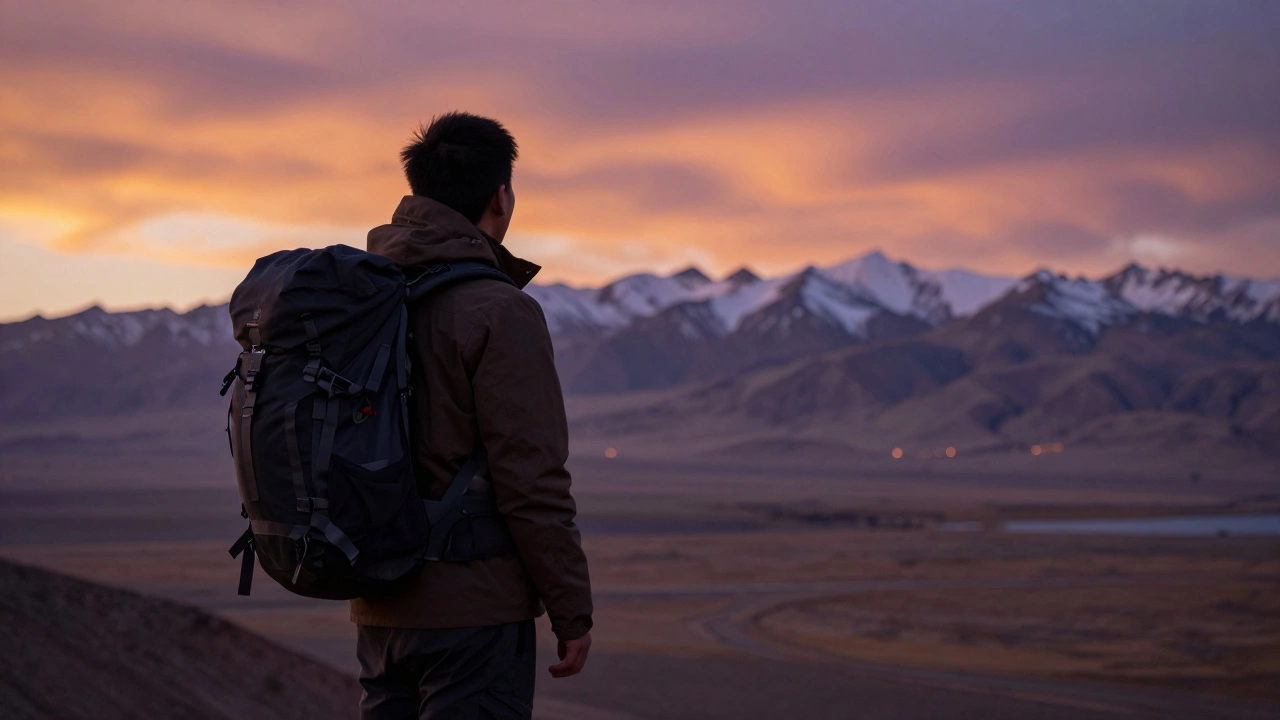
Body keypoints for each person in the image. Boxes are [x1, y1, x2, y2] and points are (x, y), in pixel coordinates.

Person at [354, 112, 594, 719]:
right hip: (474, 614)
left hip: (379, 610)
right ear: (500, 197)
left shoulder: (367, 298)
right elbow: (530, 477)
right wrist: (571, 610)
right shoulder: (498, 310)